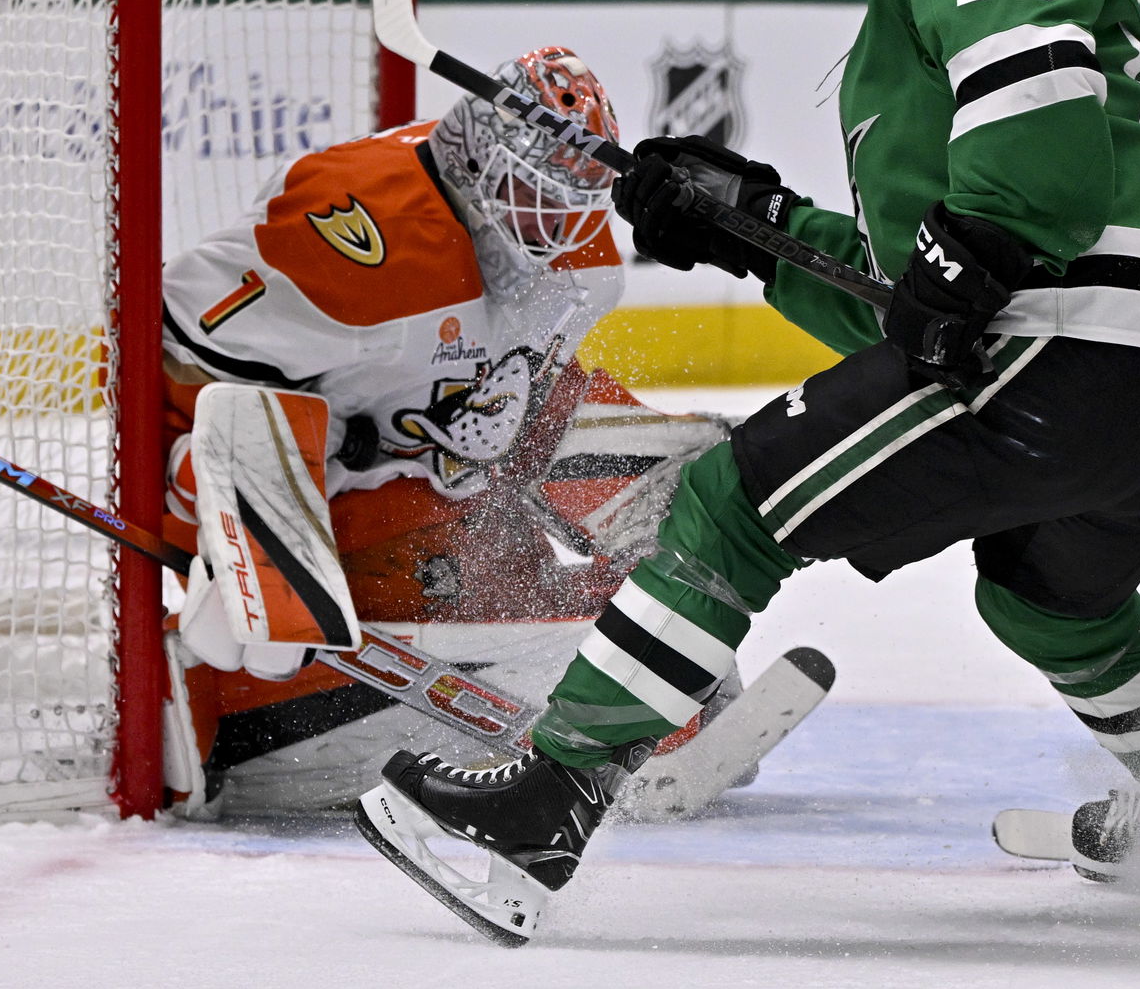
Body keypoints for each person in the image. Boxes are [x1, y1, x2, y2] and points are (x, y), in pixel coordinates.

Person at [357, 0, 1140, 946]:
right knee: (1053, 601)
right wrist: (749, 225)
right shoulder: (976, 49)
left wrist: (991, 239)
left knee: (729, 502)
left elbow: (1014, 163)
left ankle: (547, 804)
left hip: (1071, 353)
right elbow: (916, 303)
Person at [152, 47, 736, 815]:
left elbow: (529, 404)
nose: (557, 224)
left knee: (693, 485)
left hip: (428, 480)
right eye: (534, 195)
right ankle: (216, 698)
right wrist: (232, 515)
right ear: (475, 160)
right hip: (325, 491)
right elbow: (172, 356)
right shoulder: (360, 228)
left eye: (575, 199)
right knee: (342, 618)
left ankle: (642, 683)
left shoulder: (579, 259)